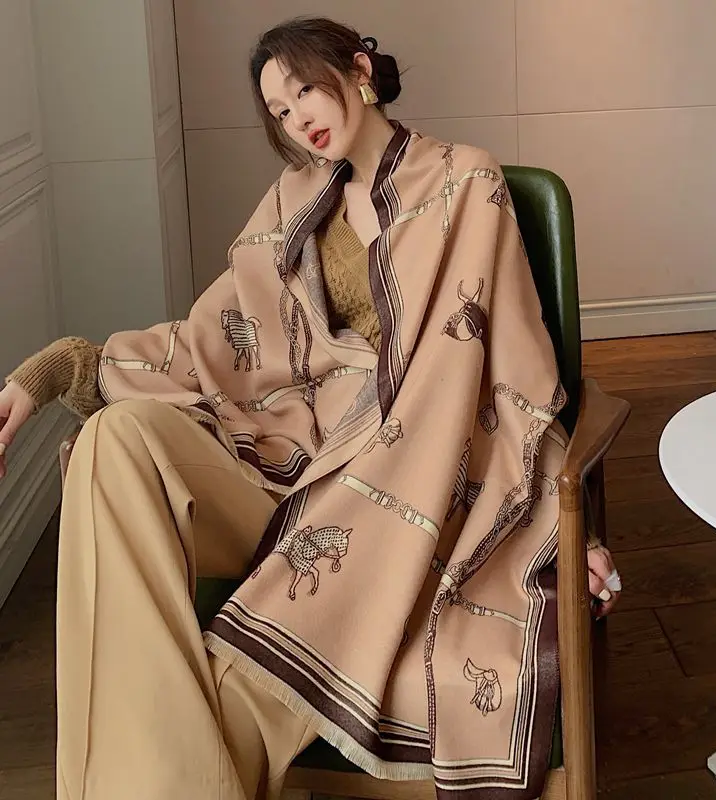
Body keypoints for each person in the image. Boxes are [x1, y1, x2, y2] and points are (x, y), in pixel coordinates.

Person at [0, 16, 621, 800]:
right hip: (288, 460)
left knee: (206, 693)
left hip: (410, 474)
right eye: (280, 110)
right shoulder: (291, 203)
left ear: (358, 70)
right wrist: (59, 368)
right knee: (111, 438)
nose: (297, 118)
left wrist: (568, 523)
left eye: (303, 90)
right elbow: (215, 340)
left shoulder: (465, 182)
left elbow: (515, 373)